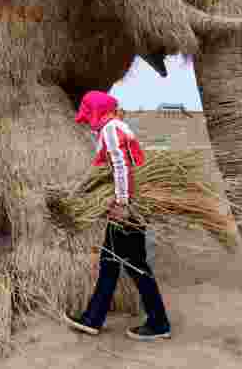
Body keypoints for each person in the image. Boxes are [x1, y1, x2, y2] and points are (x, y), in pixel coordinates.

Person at [64, 91, 172, 341]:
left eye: (88, 113)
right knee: (111, 263)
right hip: (129, 206)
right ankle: (93, 318)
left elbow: (122, 165)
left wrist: (122, 204)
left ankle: (158, 322)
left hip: (128, 209)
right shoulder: (115, 126)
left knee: (134, 265)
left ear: (96, 112)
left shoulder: (111, 129)